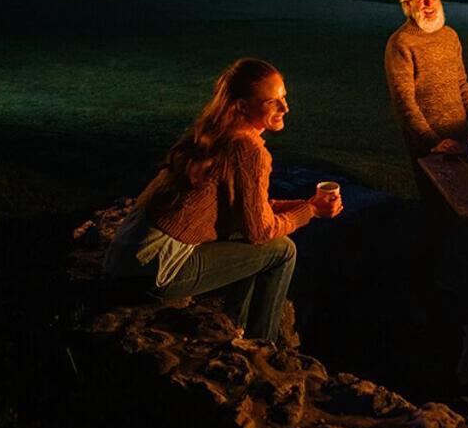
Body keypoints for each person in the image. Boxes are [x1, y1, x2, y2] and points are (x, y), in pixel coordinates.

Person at [103, 58, 342, 342]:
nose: (285, 108)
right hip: (154, 268)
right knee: (282, 251)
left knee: (251, 241)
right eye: (272, 102)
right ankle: (260, 343)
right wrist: (311, 211)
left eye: (284, 98)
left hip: (126, 256)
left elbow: (248, 211)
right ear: (242, 106)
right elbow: (260, 230)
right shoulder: (248, 149)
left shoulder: (214, 133)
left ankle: (232, 326)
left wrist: (308, 204)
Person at [384, 0, 468, 181]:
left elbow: (462, 86)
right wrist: (432, 141)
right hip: (427, 142)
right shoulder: (401, 43)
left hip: (460, 132)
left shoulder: (450, 36)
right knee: (436, 199)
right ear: (407, 3)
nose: (430, 4)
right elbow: (404, 102)